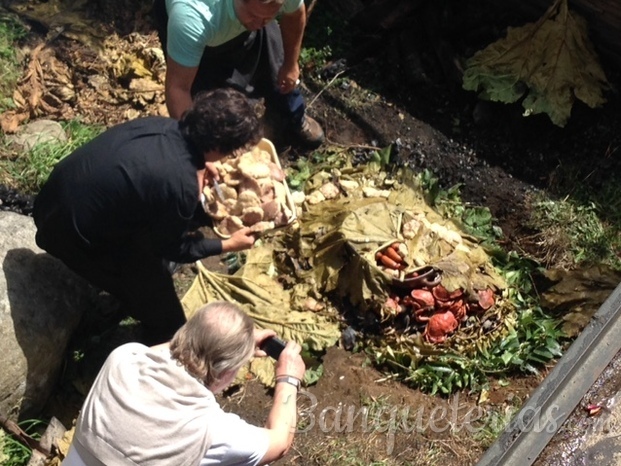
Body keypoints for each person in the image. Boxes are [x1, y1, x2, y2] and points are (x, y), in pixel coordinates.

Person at [33, 88, 262, 344]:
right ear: (219, 146)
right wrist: (228, 244)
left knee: (159, 233)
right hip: (70, 237)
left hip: (51, 203)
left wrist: (200, 163)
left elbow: (161, 172)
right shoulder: (179, 184)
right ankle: (145, 336)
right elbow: (174, 247)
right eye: (230, 151)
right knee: (167, 317)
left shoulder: (161, 125)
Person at [61, 301, 307, 466]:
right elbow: (280, 442)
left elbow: (166, 350)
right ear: (225, 374)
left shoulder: (122, 358)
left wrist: (227, 341)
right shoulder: (211, 429)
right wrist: (288, 378)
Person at [151, 0, 325, 148]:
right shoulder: (191, 18)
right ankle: (221, 143)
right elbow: (178, 88)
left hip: (236, 14)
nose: (258, 25)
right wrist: (197, 147)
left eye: (270, 16)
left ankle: (291, 116)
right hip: (208, 30)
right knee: (209, 109)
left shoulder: (261, 12)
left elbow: (295, 14)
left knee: (278, 67)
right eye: (254, 16)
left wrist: (290, 64)